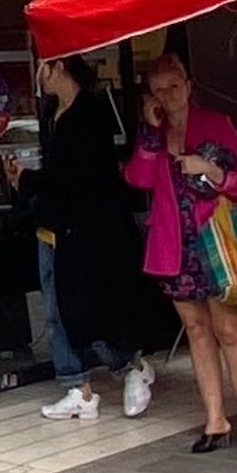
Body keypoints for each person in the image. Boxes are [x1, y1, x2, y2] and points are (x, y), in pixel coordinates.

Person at [124, 52, 237, 460]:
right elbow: (136, 177)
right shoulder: (155, 131)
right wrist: (150, 134)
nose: (168, 97)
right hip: (175, 245)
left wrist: (212, 170)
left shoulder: (217, 124)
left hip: (216, 242)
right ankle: (215, 419)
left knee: (230, 332)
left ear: (189, 86)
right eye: (158, 91)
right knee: (197, 330)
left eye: (173, 87)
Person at [31, 54, 153, 422]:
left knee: (83, 306)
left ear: (60, 68)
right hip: (53, 222)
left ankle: (126, 365)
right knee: (57, 309)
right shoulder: (51, 114)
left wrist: (28, 180)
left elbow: (80, 178)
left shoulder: (91, 112)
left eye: (44, 66)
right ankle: (78, 386)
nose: (39, 75)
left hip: (87, 230)